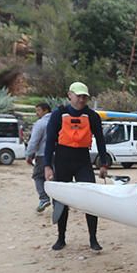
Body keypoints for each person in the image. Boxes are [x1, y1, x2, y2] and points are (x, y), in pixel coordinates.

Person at [44, 81, 109, 251]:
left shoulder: (92, 116)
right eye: (78, 96)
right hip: (62, 159)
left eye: (84, 97)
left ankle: (93, 239)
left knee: (91, 198)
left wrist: (104, 162)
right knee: (61, 199)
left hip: (82, 160)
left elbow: (101, 140)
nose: (81, 99)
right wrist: (47, 166)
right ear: (70, 95)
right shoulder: (58, 114)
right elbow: (50, 141)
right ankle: (61, 237)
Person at [25, 102, 52, 212]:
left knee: (38, 176)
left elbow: (34, 141)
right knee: (55, 178)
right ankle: (60, 201)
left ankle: (44, 198)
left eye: (38, 110)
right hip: (59, 154)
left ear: (45, 110)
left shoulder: (41, 123)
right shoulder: (60, 121)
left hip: (43, 154)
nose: (37, 113)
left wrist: (29, 155)